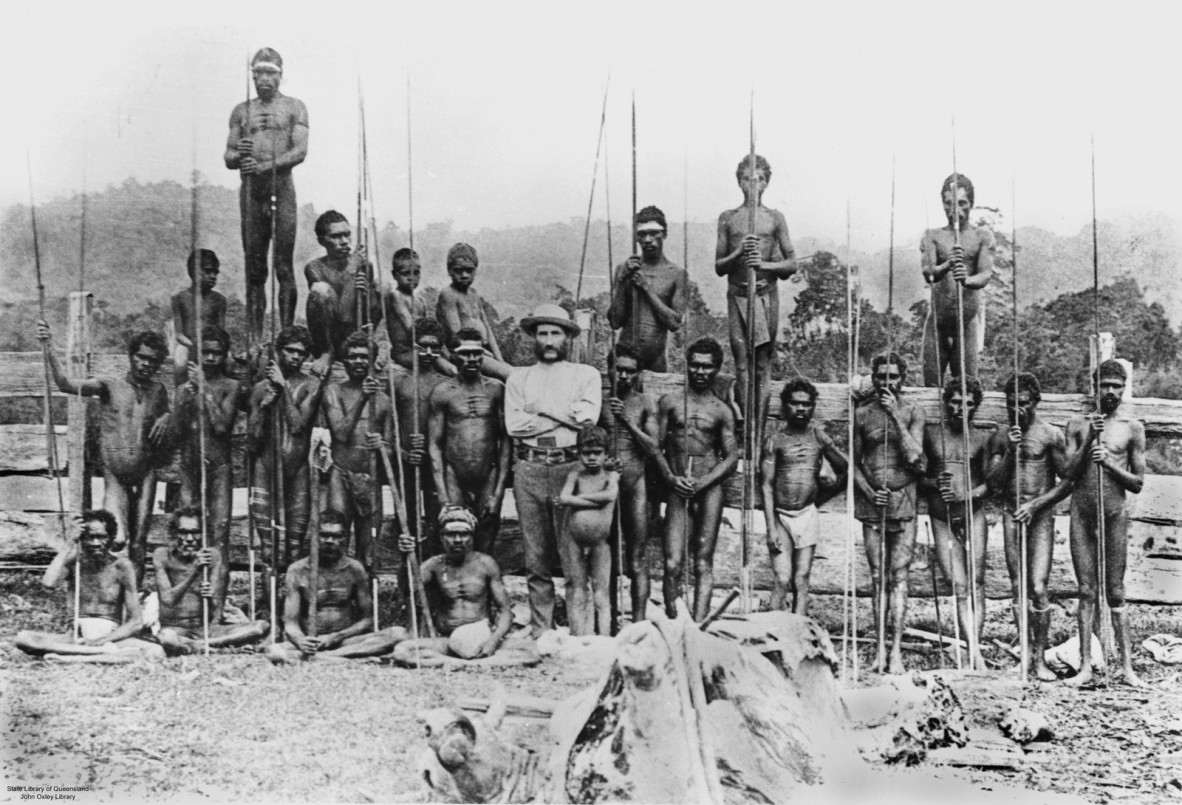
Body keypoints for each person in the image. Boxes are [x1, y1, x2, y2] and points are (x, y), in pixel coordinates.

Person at [1021, 360, 1146, 687]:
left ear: (1123, 389)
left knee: (1116, 592)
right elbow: (1068, 474)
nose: (1110, 391)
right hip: (1082, 513)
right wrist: (1091, 437)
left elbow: (1137, 483)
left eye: (1116, 386)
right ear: (1095, 387)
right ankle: (1087, 667)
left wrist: (1110, 464)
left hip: (1115, 514)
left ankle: (1127, 668)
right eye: (1104, 385)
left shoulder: (1133, 428)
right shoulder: (1077, 424)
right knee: (1086, 590)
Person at [37, 322, 170, 581]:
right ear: (131, 356)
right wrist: (48, 347)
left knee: (138, 542)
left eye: (152, 360)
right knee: (117, 539)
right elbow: (65, 384)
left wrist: (167, 415)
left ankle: (136, 596)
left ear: (158, 364)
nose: (145, 364)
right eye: (140, 357)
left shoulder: (158, 390)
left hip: (145, 473)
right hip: (116, 475)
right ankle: (104, 592)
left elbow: (165, 417)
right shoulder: (109, 385)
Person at [504, 303, 602, 636]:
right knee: (536, 555)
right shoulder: (519, 377)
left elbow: (586, 420)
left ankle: (578, 631)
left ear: (568, 337)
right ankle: (541, 631)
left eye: (555, 333)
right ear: (534, 337)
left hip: (569, 468)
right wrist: (563, 413)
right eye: (542, 333)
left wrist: (541, 409)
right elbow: (515, 425)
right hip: (530, 468)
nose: (548, 340)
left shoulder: (585, 375)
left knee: (572, 553)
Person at [986, 372, 1068, 681]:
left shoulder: (1050, 435)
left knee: (1038, 587)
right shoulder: (1000, 436)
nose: (1016, 410)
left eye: (1022, 404)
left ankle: (1040, 658)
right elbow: (993, 484)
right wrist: (1009, 450)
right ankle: (1024, 655)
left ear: (1035, 402)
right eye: (1010, 405)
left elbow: (1067, 482)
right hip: (1010, 513)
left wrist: (1035, 504)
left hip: (1040, 516)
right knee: (1018, 585)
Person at [224, 47, 308, 343]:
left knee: (283, 265)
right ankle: (255, 339)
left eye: (270, 72)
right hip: (251, 193)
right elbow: (228, 155)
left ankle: (287, 338)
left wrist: (265, 166)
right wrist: (240, 155)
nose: (264, 78)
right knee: (255, 267)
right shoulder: (241, 110)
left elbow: (300, 151)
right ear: (252, 75)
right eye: (259, 72)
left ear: (280, 74)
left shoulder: (295, 107)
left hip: (282, 189)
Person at [714, 154, 797, 448]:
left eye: (759, 179)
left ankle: (760, 436)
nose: (754, 184)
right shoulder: (728, 217)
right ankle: (746, 433)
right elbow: (719, 266)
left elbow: (791, 265)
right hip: (737, 294)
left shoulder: (775, 218)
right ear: (739, 181)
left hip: (765, 294)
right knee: (741, 364)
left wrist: (764, 264)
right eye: (748, 178)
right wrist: (739, 253)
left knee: (762, 364)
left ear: (766, 183)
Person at [654, 338, 739, 620]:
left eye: (707, 367)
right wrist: (669, 477)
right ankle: (674, 623)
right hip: (677, 486)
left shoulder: (721, 410)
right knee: (672, 562)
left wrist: (704, 483)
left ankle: (700, 626)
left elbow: (731, 456)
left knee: (703, 561)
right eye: (695, 365)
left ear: (717, 370)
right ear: (686, 366)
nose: (700, 372)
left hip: (708, 487)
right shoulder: (670, 403)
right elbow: (656, 447)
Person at [853, 352, 927, 674]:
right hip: (872, 501)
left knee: (899, 576)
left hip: (904, 499)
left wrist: (895, 416)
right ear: (873, 378)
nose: (887, 383)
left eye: (893, 377)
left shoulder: (912, 412)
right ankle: (878, 650)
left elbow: (916, 459)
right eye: (881, 376)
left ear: (902, 379)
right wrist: (869, 492)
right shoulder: (861, 414)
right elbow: (854, 464)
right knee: (876, 576)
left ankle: (895, 652)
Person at [392, 508, 537, 667]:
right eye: (451, 534)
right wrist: (405, 557)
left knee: (531, 651)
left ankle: (451, 663)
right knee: (402, 651)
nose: (458, 539)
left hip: (482, 637)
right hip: (448, 641)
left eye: (464, 534)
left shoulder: (486, 564)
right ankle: (471, 663)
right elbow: (408, 589)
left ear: (472, 536)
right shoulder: (434, 565)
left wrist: (493, 641)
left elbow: (505, 611)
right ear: (442, 537)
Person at [15, 510, 164, 663]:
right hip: (75, 637)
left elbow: (135, 622)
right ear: (81, 538)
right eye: (89, 537)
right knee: (24, 638)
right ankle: (96, 654)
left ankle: (75, 657)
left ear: (111, 538)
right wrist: (69, 543)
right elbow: (48, 583)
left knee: (155, 651)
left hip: (108, 638)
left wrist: (101, 641)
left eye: (101, 537)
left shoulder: (122, 566)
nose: (95, 543)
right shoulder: (74, 563)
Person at [266, 511, 408, 663]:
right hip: (311, 641)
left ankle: (327, 658)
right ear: (313, 536)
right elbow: (291, 623)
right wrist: (302, 641)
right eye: (323, 535)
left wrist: (335, 637)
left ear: (346, 538)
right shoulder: (298, 570)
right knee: (274, 650)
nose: (330, 541)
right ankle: (349, 658)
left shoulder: (354, 569)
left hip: (344, 640)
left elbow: (368, 619)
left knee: (398, 634)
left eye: (337, 536)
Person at [759, 377, 848, 615]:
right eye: (795, 403)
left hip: (807, 514)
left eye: (806, 404)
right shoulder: (775, 440)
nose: (800, 409)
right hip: (781, 516)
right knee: (782, 578)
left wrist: (821, 494)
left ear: (813, 407)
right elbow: (766, 484)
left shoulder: (818, 437)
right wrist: (771, 527)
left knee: (801, 578)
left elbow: (846, 468)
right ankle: (773, 633)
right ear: (785, 405)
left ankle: (799, 633)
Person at [171, 325, 241, 622]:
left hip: (219, 469)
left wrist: (205, 391)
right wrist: (183, 402)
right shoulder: (184, 387)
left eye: (217, 353)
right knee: (187, 534)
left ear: (225, 356)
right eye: (206, 353)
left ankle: (216, 611)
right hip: (190, 466)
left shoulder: (230, 386)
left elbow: (223, 425)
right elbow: (175, 431)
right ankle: (186, 610)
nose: (211, 358)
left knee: (219, 538)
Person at [921, 377, 989, 669]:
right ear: (947, 401)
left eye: (969, 403)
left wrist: (969, 493)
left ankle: (975, 652)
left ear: (976, 407)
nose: (962, 408)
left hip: (972, 514)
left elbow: (990, 483)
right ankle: (969, 647)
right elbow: (918, 476)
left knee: (976, 581)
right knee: (958, 584)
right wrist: (934, 483)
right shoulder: (931, 434)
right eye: (956, 401)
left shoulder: (981, 438)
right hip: (941, 517)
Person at [427, 328, 510, 554]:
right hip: (454, 473)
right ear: (453, 354)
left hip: (488, 473)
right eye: (465, 353)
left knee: (488, 528)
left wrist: (498, 492)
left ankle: (483, 585)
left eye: (477, 352)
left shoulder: (496, 389)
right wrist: (443, 495)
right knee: (452, 529)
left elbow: (505, 441)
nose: (472, 359)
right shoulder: (443, 392)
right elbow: (434, 444)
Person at [248, 325, 324, 563]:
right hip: (265, 467)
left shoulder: (312, 386)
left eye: (301, 353)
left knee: (294, 548)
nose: (296, 357)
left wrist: (283, 390)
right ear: (279, 351)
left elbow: (298, 425)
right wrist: (264, 406)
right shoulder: (260, 388)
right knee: (267, 549)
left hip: (298, 466)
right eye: (290, 351)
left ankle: (291, 597)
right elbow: (252, 439)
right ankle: (266, 597)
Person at [320, 331, 394, 567]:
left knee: (369, 547)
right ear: (344, 360)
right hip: (341, 474)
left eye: (364, 356)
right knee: (337, 537)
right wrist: (363, 396)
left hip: (371, 477)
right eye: (352, 357)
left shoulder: (383, 400)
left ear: (372, 360)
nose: (359, 361)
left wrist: (382, 445)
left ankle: (367, 597)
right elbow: (340, 433)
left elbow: (391, 449)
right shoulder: (334, 391)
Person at [153, 507, 269, 655]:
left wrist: (210, 595)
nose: (189, 539)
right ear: (174, 533)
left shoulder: (212, 555)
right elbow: (168, 600)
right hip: (176, 629)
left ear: (203, 534)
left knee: (260, 626)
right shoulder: (162, 555)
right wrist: (195, 572)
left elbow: (215, 607)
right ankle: (221, 649)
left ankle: (199, 646)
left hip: (205, 630)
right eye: (183, 532)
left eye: (195, 532)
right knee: (167, 638)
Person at [599, 342, 660, 622]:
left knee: (637, 558)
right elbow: (585, 445)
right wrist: (602, 462)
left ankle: (638, 623)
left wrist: (627, 421)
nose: (623, 376)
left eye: (630, 372)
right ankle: (608, 620)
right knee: (607, 558)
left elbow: (653, 447)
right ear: (609, 369)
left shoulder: (645, 403)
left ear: (639, 374)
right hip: (605, 485)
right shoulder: (598, 402)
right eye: (618, 370)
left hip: (636, 486)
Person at [920, 173, 995, 387]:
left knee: (967, 388)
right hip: (937, 326)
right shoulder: (932, 236)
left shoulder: (982, 236)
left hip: (967, 327)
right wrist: (948, 264)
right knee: (931, 390)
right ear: (943, 204)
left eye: (962, 203)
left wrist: (967, 280)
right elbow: (929, 273)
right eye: (949, 203)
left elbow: (985, 274)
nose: (955, 210)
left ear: (971, 203)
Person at [394, 319, 455, 554]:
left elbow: (451, 428)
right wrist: (405, 452)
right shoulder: (400, 382)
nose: (428, 352)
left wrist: (429, 441)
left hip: (436, 464)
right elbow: (390, 426)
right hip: (407, 463)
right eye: (422, 346)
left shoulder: (447, 384)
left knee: (435, 518)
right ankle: (407, 576)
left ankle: (433, 571)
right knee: (406, 522)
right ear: (413, 346)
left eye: (435, 347)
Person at [607, 206, 688, 372]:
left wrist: (646, 289)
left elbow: (674, 323)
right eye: (642, 234)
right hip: (625, 364)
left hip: (656, 362)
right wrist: (623, 281)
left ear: (664, 234)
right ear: (636, 237)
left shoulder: (677, 274)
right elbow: (615, 321)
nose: (648, 239)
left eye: (654, 233)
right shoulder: (624, 269)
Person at [557, 426, 620, 636]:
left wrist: (579, 501)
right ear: (578, 453)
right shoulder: (575, 475)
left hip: (600, 542)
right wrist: (593, 501)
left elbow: (610, 496)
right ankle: (578, 636)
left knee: (601, 593)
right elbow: (564, 497)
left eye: (597, 453)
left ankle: (603, 637)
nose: (592, 458)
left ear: (606, 454)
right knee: (578, 590)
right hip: (574, 540)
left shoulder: (611, 476)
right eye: (586, 453)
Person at [304, 210, 384, 372]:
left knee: (380, 288)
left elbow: (371, 312)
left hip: (355, 337)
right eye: (336, 236)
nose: (344, 241)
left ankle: (368, 349)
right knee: (320, 290)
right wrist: (351, 270)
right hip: (330, 338)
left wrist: (367, 294)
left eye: (347, 235)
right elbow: (342, 315)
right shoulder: (314, 268)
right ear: (322, 241)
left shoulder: (364, 265)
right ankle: (327, 353)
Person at [435, 243, 512, 381]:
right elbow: (455, 336)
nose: (464, 275)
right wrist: (483, 352)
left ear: (475, 271)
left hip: (480, 351)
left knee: (513, 371)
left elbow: (487, 329)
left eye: (469, 271)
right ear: (449, 270)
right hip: (462, 353)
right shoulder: (448, 294)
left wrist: (499, 359)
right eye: (459, 271)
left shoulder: (473, 295)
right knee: (511, 375)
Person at [383, 247, 456, 377]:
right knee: (446, 367)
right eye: (406, 273)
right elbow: (411, 327)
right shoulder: (396, 296)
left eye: (416, 273)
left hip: (423, 347)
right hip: (404, 352)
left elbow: (429, 328)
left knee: (449, 357)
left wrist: (439, 346)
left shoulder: (420, 299)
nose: (412, 278)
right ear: (395, 275)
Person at [170, 248, 227, 385]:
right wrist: (194, 345)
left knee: (228, 363)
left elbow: (221, 332)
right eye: (208, 271)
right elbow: (178, 334)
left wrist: (215, 346)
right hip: (188, 344)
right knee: (179, 363)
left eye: (215, 272)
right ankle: (180, 395)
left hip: (212, 345)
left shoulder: (219, 299)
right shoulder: (179, 298)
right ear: (194, 272)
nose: (213, 276)